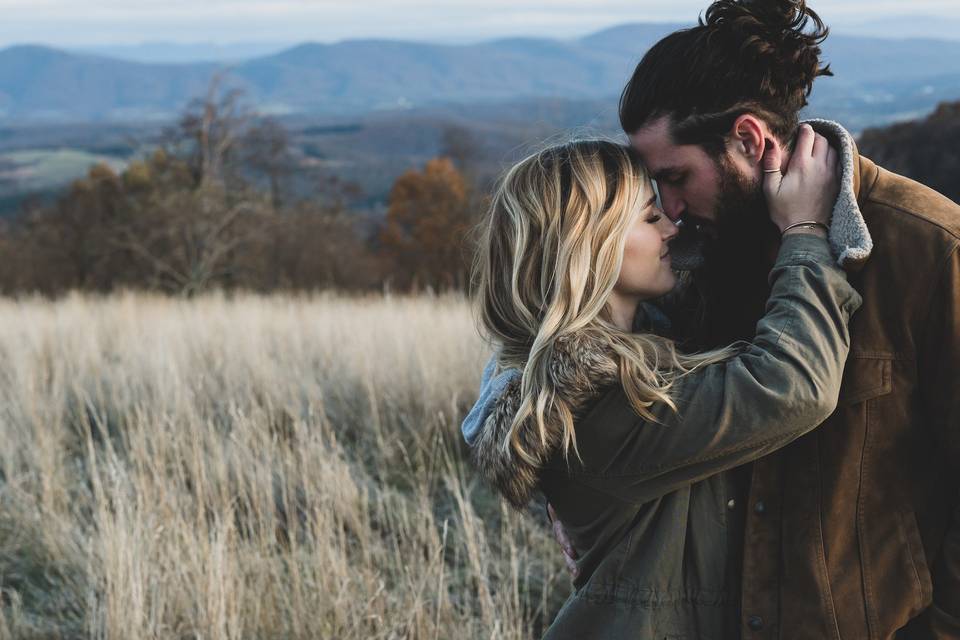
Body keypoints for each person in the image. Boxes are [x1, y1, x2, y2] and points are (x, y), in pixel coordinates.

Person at [543, 0, 960, 637]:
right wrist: (575, 495)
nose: (669, 207)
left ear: (747, 139)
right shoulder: (688, 261)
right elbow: (590, 365)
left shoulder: (929, 249)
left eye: (676, 177)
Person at [462, 134, 861, 638]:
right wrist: (805, 229)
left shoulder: (635, 349)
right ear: (590, 246)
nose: (673, 227)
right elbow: (793, 384)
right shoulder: (598, 408)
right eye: (650, 218)